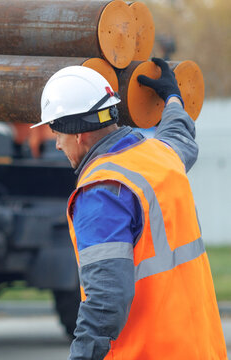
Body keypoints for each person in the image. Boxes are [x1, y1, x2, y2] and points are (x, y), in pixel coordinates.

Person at [31, 58, 228, 359]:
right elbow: (180, 136)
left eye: (57, 134)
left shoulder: (101, 191)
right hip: (201, 348)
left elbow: (106, 302)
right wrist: (172, 98)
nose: (57, 145)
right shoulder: (160, 156)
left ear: (78, 134)